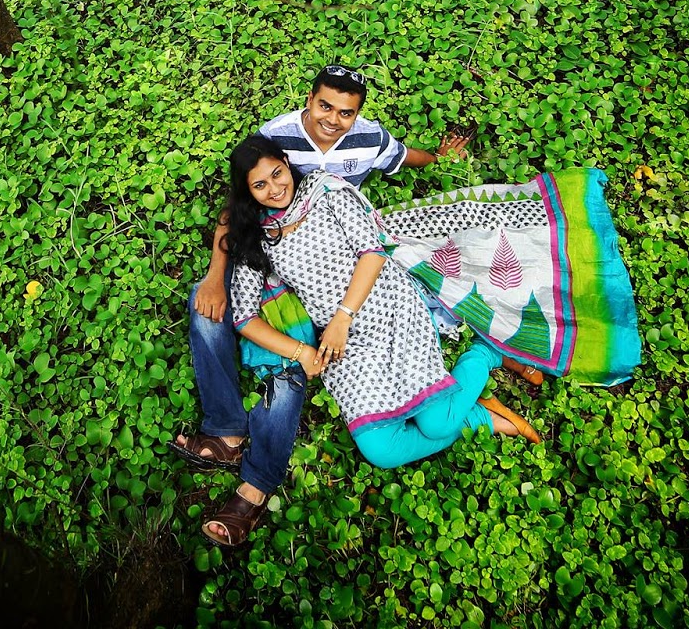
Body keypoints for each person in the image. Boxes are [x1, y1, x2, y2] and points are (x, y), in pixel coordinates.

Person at [197, 135, 642, 546]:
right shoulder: (258, 236)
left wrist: (343, 317)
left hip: (384, 303)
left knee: (433, 425)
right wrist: (302, 350)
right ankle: (475, 418)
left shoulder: (325, 189)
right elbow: (245, 317)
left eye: (277, 172)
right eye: (260, 184)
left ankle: (485, 355)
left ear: (287, 164)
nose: (274, 187)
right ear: (248, 193)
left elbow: (373, 250)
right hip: (341, 345)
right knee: (381, 451)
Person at [171, 66, 471, 530]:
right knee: (230, 319)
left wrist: (440, 160)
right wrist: (216, 274)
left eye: (345, 112)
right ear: (308, 98)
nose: (332, 119)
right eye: (325, 106)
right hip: (285, 270)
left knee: (292, 360)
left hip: (348, 270)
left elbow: (401, 160)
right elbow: (240, 207)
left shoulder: (350, 160)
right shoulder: (274, 140)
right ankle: (227, 432)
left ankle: (254, 485)